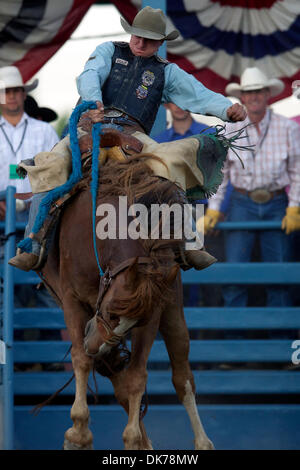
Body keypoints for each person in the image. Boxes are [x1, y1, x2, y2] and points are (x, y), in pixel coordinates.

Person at [9, 6, 246, 272]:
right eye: (137, 36)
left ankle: (190, 241)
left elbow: (198, 94)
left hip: (133, 134)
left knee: (169, 165)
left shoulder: (166, 72)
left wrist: (226, 109)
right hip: (88, 128)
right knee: (50, 165)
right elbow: (91, 74)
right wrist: (92, 102)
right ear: (130, 33)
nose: (140, 42)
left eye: (148, 39)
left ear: (160, 43)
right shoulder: (109, 50)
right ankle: (33, 243)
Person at [202, 66, 300, 310]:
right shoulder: (230, 130)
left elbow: (298, 172)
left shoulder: (288, 128)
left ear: (268, 94)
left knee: (278, 275)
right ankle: (234, 343)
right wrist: (214, 209)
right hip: (241, 204)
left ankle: (282, 340)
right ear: (242, 97)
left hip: (277, 204)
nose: (254, 96)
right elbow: (221, 175)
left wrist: (294, 207)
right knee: (236, 275)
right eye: (249, 92)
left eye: (259, 91)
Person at [0, 65, 59, 309]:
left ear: (24, 94)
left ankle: (52, 346)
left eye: (16, 90)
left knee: (46, 289)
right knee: (4, 294)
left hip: (38, 225)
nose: (11, 96)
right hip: (1, 223)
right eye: (6, 91)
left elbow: (58, 173)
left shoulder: (44, 131)